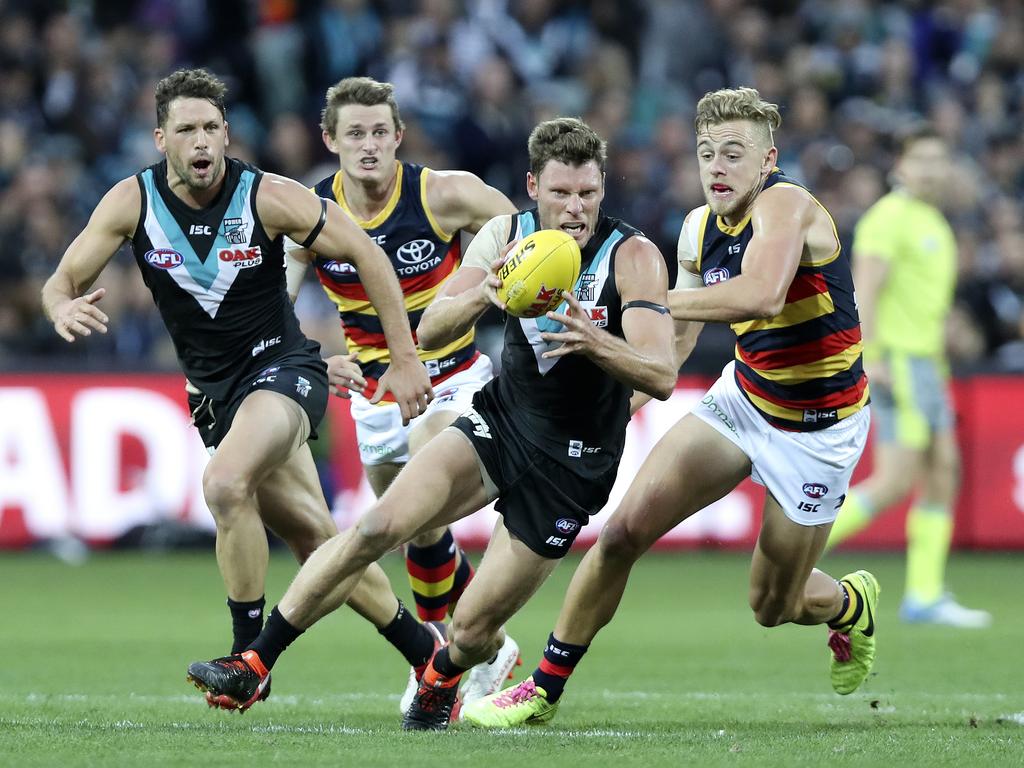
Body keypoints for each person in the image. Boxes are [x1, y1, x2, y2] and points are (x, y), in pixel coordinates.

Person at [185, 116, 679, 730]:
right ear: (533, 187)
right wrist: (485, 294)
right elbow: (433, 328)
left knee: (471, 630)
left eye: (587, 193)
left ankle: (442, 672)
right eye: (560, 193)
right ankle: (255, 663)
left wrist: (594, 340)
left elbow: (659, 374)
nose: (575, 209)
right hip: (503, 421)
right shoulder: (505, 234)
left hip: (572, 463)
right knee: (375, 526)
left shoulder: (632, 257)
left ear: (602, 189)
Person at [462, 87, 880, 728]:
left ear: (768, 160)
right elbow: (676, 344)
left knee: (773, 604)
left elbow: (762, 296)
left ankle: (851, 605)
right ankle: (543, 690)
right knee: (623, 533)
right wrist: (629, 395)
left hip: (819, 428)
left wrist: (645, 300)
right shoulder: (695, 228)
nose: (717, 166)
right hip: (743, 400)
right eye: (707, 151)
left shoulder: (788, 204)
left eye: (734, 154)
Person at [40, 68, 449, 711]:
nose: (201, 141)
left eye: (211, 128)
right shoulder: (131, 203)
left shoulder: (268, 197)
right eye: (187, 130)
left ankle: (246, 660)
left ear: (227, 134)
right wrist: (61, 307)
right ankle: (428, 655)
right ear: (161, 139)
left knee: (225, 485)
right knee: (318, 539)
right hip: (213, 396)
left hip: (282, 371)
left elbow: (368, 255)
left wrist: (404, 359)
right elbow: (61, 279)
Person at [285, 76, 522, 708]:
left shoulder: (446, 194)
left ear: (400, 137)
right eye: (354, 134)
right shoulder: (310, 212)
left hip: (452, 376)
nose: (368, 146)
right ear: (330, 140)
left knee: (421, 491)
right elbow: (270, 304)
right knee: (417, 532)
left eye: (379, 133)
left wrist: (495, 287)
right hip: (370, 392)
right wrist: (310, 357)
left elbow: (535, 241)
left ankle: (444, 658)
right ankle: (489, 646)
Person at [824, 126, 991, 628]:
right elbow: (866, 290)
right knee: (897, 479)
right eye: (921, 159)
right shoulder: (888, 218)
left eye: (939, 159)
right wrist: (870, 355)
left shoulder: (932, 220)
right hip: (897, 359)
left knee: (944, 471)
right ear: (899, 165)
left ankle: (924, 595)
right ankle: (792, 552)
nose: (932, 168)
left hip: (927, 363)